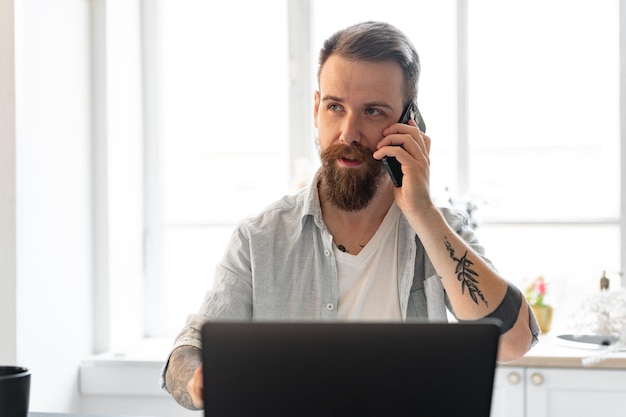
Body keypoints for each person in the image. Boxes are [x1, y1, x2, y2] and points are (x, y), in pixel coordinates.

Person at [161, 20, 540, 410]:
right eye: (335, 106)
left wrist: (422, 210)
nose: (348, 132)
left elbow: (514, 342)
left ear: (409, 123)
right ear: (315, 108)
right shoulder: (259, 238)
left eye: (373, 111)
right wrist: (198, 379)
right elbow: (185, 352)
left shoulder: (438, 230)